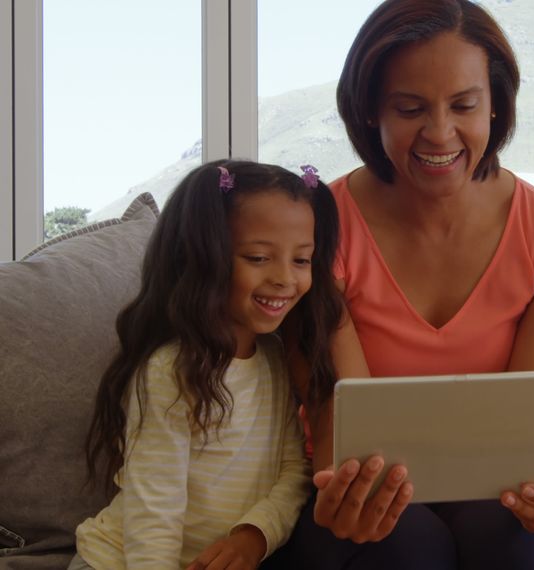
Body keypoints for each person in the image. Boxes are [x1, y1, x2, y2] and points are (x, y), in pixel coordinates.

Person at [271, 1, 534, 569]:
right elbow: (339, 435)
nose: (440, 133)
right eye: (410, 108)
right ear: (371, 110)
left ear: (495, 105)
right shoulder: (317, 229)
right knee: (400, 546)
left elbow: (529, 442)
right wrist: (342, 488)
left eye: (464, 105)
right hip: (363, 495)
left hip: (497, 497)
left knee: (530, 544)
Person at [72, 160, 342, 569]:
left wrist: (255, 536)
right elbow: (154, 513)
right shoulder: (170, 371)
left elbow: (294, 471)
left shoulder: (273, 361)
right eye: (257, 257)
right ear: (200, 257)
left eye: (302, 260)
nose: (286, 278)